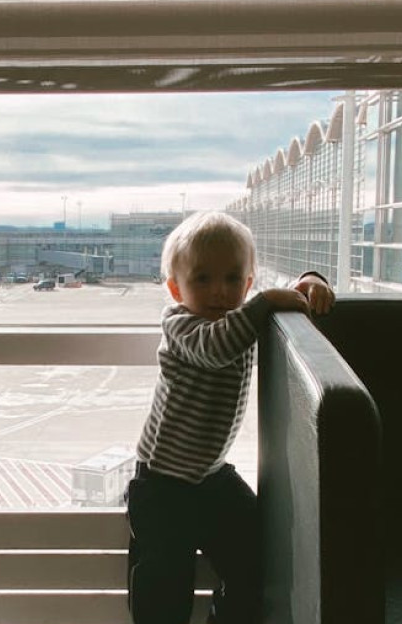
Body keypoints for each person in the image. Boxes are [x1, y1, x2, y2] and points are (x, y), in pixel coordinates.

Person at [126, 210, 334, 624]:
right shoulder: (182, 326)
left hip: (209, 476)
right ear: (175, 288)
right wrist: (265, 302)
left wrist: (310, 281)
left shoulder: (243, 315)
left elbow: (267, 307)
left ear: (248, 282)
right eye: (202, 279)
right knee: (162, 595)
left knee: (259, 556)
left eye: (232, 279)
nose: (220, 292)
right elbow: (216, 348)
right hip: (163, 486)